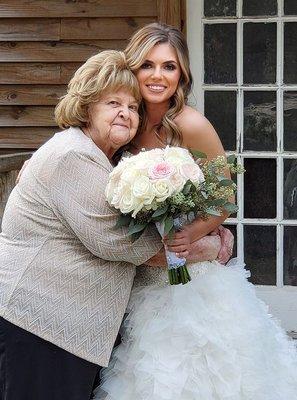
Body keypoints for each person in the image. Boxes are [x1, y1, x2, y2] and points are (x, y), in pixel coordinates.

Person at [94, 23, 297, 400]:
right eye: (148, 65)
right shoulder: (124, 122)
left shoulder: (191, 124)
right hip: (141, 274)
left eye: (169, 67)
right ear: (132, 69)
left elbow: (224, 198)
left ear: (181, 75)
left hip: (192, 277)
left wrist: (193, 232)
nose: (158, 76)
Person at [0, 50, 170, 400]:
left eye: (134, 106)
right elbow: (123, 242)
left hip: (61, 330)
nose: (126, 112)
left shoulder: (101, 159)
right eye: (113, 103)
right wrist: (199, 248)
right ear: (86, 107)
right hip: (38, 326)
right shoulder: (73, 155)